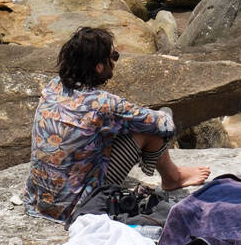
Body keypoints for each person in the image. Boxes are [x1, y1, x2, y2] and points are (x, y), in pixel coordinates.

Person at [24, 26, 210, 221]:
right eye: (113, 56)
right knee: (149, 126)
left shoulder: (52, 87)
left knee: (114, 128)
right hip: (77, 208)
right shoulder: (104, 104)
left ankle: (173, 175)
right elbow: (165, 126)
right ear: (99, 66)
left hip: (38, 202)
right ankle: (173, 177)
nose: (114, 61)